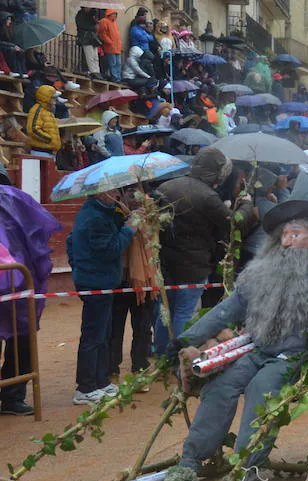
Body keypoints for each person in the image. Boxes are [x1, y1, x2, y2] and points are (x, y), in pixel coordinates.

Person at [173, 193, 308, 480]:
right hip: (258, 350)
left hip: (300, 356)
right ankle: (190, 461)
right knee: (220, 386)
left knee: (262, 389)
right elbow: (229, 309)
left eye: (296, 234)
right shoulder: (261, 273)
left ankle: (245, 468)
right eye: (284, 235)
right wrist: (186, 340)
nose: (286, 242)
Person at [154, 149, 232, 354]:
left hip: (165, 260)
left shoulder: (166, 186)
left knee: (165, 310)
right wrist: (246, 206)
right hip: (194, 265)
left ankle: (161, 351)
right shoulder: (208, 196)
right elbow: (232, 223)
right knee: (184, 313)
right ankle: (176, 356)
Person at [68, 190, 138, 404]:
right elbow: (111, 249)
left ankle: (101, 381)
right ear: (101, 193)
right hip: (95, 281)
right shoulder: (94, 217)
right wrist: (129, 229)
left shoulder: (100, 212)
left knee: (103, 333)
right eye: (114, 192)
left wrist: (126, 218)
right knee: (93, 335)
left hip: (100, 280)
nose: (117, 195)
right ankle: (85, 387)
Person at [0, 180, 61, 416]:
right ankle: (12, 397)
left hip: (17, 281)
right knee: (22, 338)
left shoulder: (13, 199)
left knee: (22, 338)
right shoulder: (14, 198)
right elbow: (37, 235)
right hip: (20, 281)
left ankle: (12, 396)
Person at [24, 84, 60, 155]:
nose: (55, 99)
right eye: (53, 97)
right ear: (46, 98)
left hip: (49, 152)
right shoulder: (37, 110)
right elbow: (33, 129)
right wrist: (49, 139)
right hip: (40, 152)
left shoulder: (48, 111)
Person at [74, 7, 101, 77]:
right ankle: (93, 71)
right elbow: (82, 26)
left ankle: (97, 71)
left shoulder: (91, 15)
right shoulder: (80, 15)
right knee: (90, 56)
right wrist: (94, 27)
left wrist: (95, 20)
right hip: (85, 38)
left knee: (95, 56)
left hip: (92, 38)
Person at [97, 10, 122, 81]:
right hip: (110, 47)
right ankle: (115, 78)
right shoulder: (104, 21)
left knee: (118, 64)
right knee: (113, 63)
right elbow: (102, 34)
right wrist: (110, 42)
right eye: (113, 14)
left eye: (115, 14)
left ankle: (118, 78)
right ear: (109, 14)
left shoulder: (114, 23)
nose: (115, 15)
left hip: (116, 47)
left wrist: (119, 44)